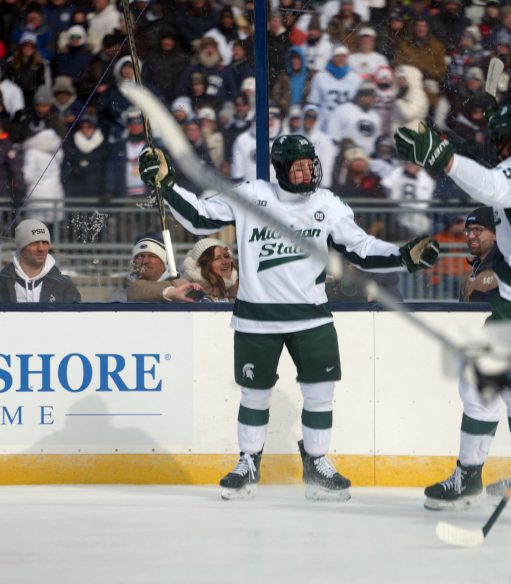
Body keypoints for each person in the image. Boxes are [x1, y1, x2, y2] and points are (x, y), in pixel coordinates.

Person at [138, 135, 440, 501]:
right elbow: (200, 219)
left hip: (312, 318)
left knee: (319, 395)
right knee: (254, 395)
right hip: (256, 319)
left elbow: (360, 248)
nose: (306, 170)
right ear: (281, 168)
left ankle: (316, 462)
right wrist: (166, 184)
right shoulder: (252, 194)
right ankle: (248, 462)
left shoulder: (327, 203)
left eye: (309, 163)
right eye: (297, 165)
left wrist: (402, 255)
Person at [394, 104, 511, 509]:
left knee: (478, 382)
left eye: (500, 140)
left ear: (510, 140)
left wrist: (444, 157)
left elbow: (493, 187)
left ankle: (469, 476)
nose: (496, 147)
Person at [0, 219, 80, 303]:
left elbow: (75, 315)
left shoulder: (64, 285)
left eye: (45, 242)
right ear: (21, 247)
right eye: (34, 243)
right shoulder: (2, 283)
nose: (41, 248)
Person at [109, 232, 201, 303]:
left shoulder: (184, 290)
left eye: (152, 256)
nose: (145, 261)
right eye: (140, 256)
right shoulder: (119, 297)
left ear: (164, 262)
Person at [459, 206, 500, 303]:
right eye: (468, 231)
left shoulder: (506, 272)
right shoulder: (468, 275)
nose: (471, 236)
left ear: (496, 234)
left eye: (478, 230)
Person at [182, 238, 239, 302]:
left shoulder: (242, 287)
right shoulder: (188, 293)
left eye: (226, 256)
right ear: (202, 265)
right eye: (217, 258)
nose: (226, 262)